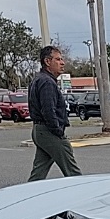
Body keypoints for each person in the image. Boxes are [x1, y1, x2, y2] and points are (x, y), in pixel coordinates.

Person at [28, 45, 81, 181]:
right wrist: (58, 131)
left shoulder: (39, 79)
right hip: (48, 132)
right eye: (58, 59)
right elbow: (48, 110)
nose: (62, 63)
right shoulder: (46, 82)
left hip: (39, 130)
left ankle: (27, 195)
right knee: (73, 173)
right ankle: (85, 196)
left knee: (38, 173)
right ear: (47, 61)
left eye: (62, 59)